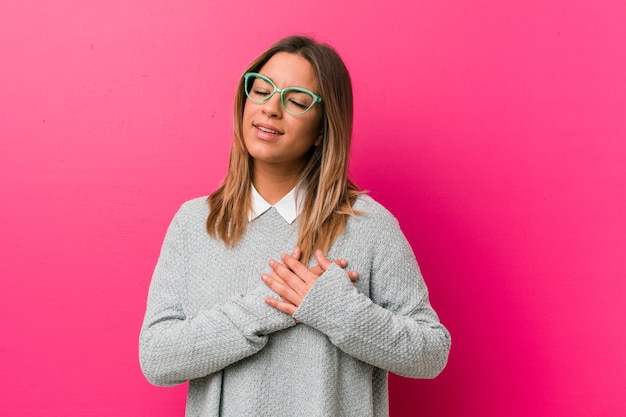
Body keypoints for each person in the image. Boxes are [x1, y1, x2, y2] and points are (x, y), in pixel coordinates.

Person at [139, 35, 450, 417]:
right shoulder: (195, 223)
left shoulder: (369, 226)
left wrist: (334, 309)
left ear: (323, 129)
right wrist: (261, 310)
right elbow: (157, 357)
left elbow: (431, 353)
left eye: (297, 101)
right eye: (262, 89)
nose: (271, 108)